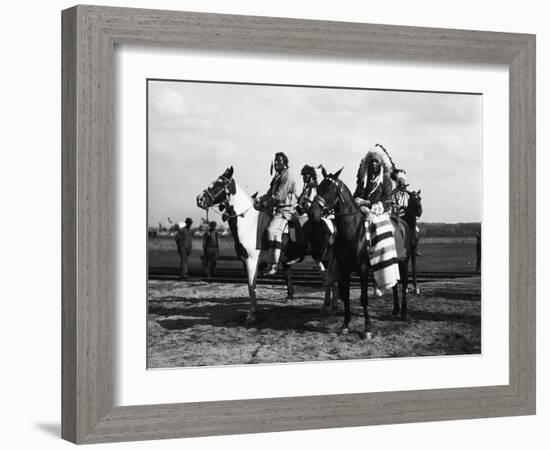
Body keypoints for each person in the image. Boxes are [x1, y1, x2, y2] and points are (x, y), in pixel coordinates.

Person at [353, 145, 399, 290]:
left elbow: (387, 200)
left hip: (380, 212)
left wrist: (368, 203)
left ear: (380, 164)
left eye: (376, 162)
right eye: (372, 161)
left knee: (380, 230)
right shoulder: (364, 180)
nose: (373, 164)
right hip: (363, 211)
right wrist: (358, 202)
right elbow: (356, 195)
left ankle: (381, 262)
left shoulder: (385, 180)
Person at [255, 152, 297, 275]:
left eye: (279, 161)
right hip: (277, 209)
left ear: (285, 162)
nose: (276, 163)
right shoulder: (278, 177)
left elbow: (278, 196)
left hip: (285, 210)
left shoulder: (287, 176)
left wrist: (264, 204)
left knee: (272, 231)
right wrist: (258, 200)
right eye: (276, 161)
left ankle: (273, 265)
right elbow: (270, 194)